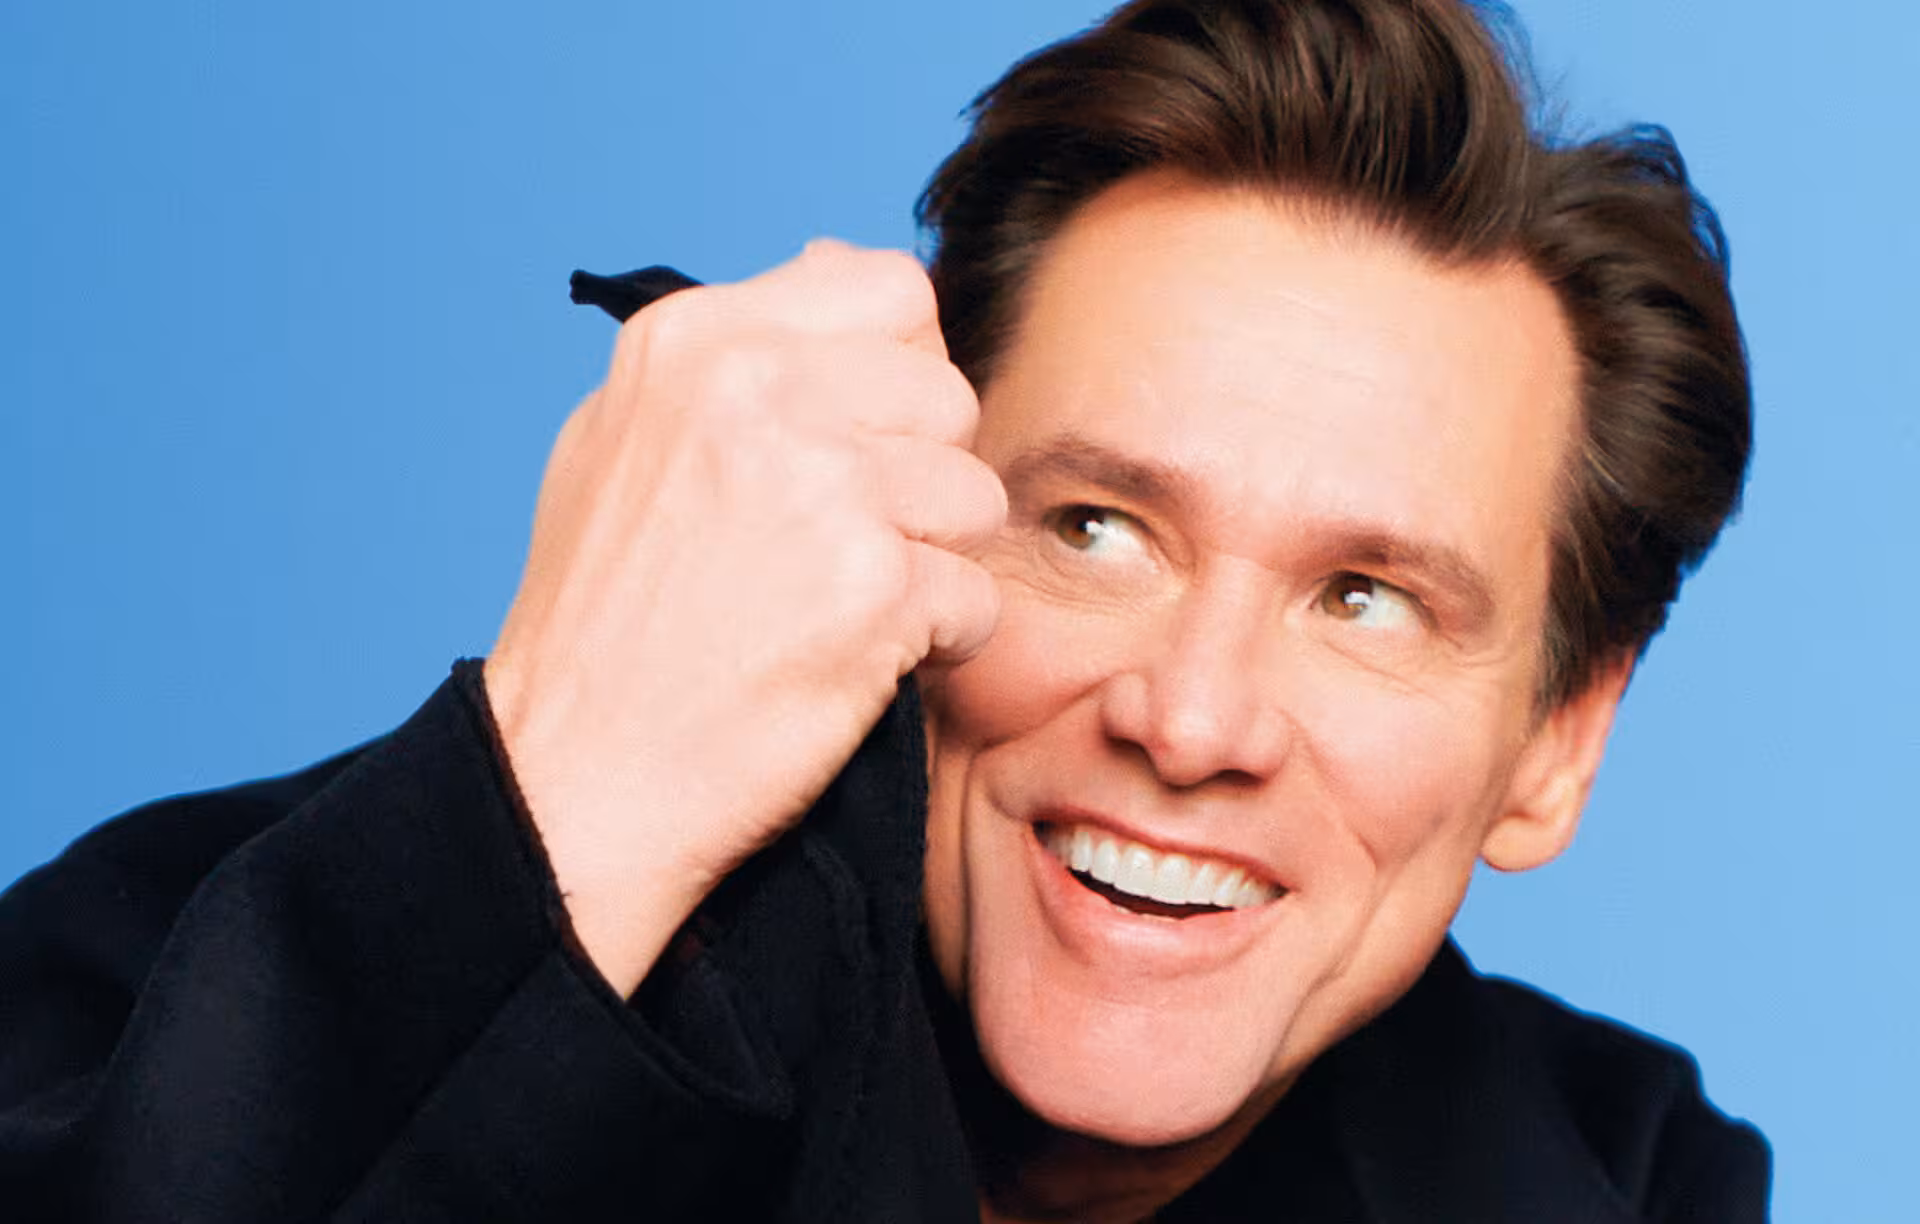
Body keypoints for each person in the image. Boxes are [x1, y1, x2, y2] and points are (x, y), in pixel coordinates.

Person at [0, 0, 1768, 1219]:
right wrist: (565, 795)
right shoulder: (172, 982)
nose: (1191, 719)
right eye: (1095, 529)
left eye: (1365, 600)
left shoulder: (1624, 1178)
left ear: (1558, 742)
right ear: (912, 510)